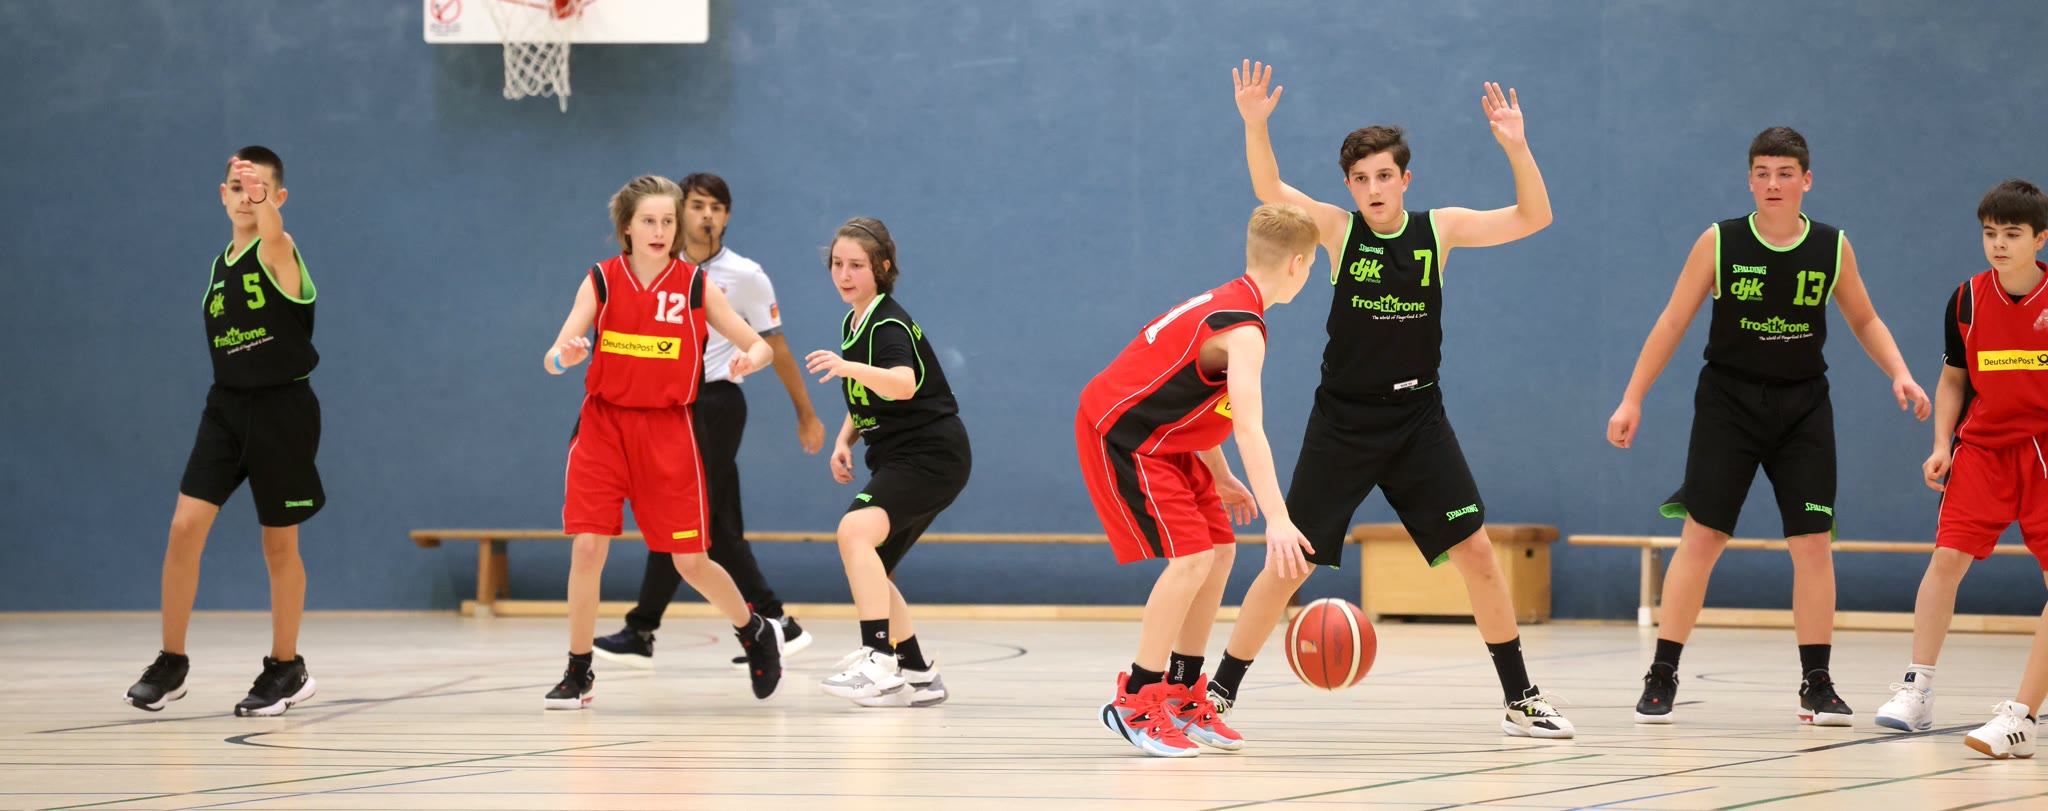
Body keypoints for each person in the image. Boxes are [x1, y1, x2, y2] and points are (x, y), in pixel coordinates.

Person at [1213, 61, 1573, 738]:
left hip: (1417, 420)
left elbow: (1536, 216)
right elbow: (1269, 188)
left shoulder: (1440, 230)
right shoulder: (1337, 231)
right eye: (1360, 178)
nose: (1373, 188)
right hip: (1343, 421)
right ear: (1349, 187)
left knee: (1477, 553)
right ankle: (1219, 692)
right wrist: (1255, 126)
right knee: (1289, 562)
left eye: (1384, 176)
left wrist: (1516, 146)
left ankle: (1520, 697)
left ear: (1405, 180)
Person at [1606, 127, 1930, 726]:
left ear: (1807, 180)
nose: (1773, 183)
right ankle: (1662, 672)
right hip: (1728, 404)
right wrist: (1632, 398)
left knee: (1812, 542)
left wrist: (1900, 372)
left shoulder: (1832, 246)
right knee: (1702, 537)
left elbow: (1865, 319)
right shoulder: (1720, 241)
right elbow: (1672, 321)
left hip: (1803, 406)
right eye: (1762, 173)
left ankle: (1816, 682)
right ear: (1750, 180)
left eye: (1784, 173)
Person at [1078, 203, 1319, 757]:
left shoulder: (1230, 302)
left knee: (1220, 549)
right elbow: (1250, 428)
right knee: (1190, 558)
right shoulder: (1245, 330)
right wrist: (1278, 518)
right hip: (1122, 433)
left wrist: (1223, 475)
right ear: (1298, 264)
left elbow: (1185, 397)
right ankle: (1134, 699)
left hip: (1165, 436)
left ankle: (1183, 693)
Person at [539, 175, 783, 710]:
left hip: (669, 430)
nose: (659, 230)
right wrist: (566, 356)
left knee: (690, 562)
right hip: (603, 426)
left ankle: (753, 629)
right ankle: (578, 670)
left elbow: (760, 346)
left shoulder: (695, 285)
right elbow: (553, 356)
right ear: (627, 227)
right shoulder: (601, 280)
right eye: (648, 220)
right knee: (587, 547)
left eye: (667, 221)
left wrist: (751, 360)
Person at [592, 173, 826, 671]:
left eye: (717, 207)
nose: (707, 215)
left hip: (716, 402)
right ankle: (775, 624)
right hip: (668, 407)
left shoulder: (745, 275)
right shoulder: (655, 270)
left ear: (727, 216)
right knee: (714, 522)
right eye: (697, 205)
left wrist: (805, 413)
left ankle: (645, 628)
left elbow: (776, 346)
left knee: (679, 518)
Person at [125, 147, 323, 717]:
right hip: (226, 407)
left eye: (257, 191)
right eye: (236, 190)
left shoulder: (278, 249)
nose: (245, 199)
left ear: (277, 197)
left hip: (282, 408)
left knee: (278, 543)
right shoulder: (219, 268)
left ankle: (286, 667)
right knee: (184, 528)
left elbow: (273, 234)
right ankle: (171, 662)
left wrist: (264, 207)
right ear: (222, 195)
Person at [1872, 180, 2048, 758]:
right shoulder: (1967, 299)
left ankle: (2024, 715)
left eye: (2012, 234)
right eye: (1990, 233)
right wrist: (1941, 443)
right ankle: (1916, 689)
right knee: (1945, 560)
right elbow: (1953, 378)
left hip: (2042, 451)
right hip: (1983, 450)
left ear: (2040, 239)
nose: (1998, 244)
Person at [807, 217, 971, 708]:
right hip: (906, 455)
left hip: (930, 454)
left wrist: (846, 366)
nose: (844, 274)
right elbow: (869, 393)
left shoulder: (888, 323)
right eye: (837, 264)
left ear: (882, 267)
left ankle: (879, 660)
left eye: (856, 265)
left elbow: (901, 383)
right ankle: (918, 672)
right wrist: (845, 439)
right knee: (874, 563)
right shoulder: (855, 322)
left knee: (854, 532)